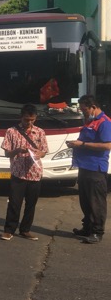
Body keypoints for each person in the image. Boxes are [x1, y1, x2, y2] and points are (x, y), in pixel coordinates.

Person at [66, 95, 111, 244]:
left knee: (96, 202)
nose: (83, 112)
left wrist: (82, 144)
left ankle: (97, 232)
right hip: (83, 166)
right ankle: (87, 228)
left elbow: (107, 145)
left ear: (92, 106)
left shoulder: (104, 122)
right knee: (85, 200)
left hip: (95, 168)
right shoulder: (90, 121)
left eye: (85, 110)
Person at [0, 104, 48, 241]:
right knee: (14, 203)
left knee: (31, 204)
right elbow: (7, 153)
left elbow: (44, 150)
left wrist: (40, 153)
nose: (29, 123)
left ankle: (25, 230)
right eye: (27, 120)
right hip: (18, 173)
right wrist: (18, 150)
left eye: (32, 120)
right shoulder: (11, 131)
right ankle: (9, 230)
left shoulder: (40, 132)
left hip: (35, 172)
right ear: (21, 117)